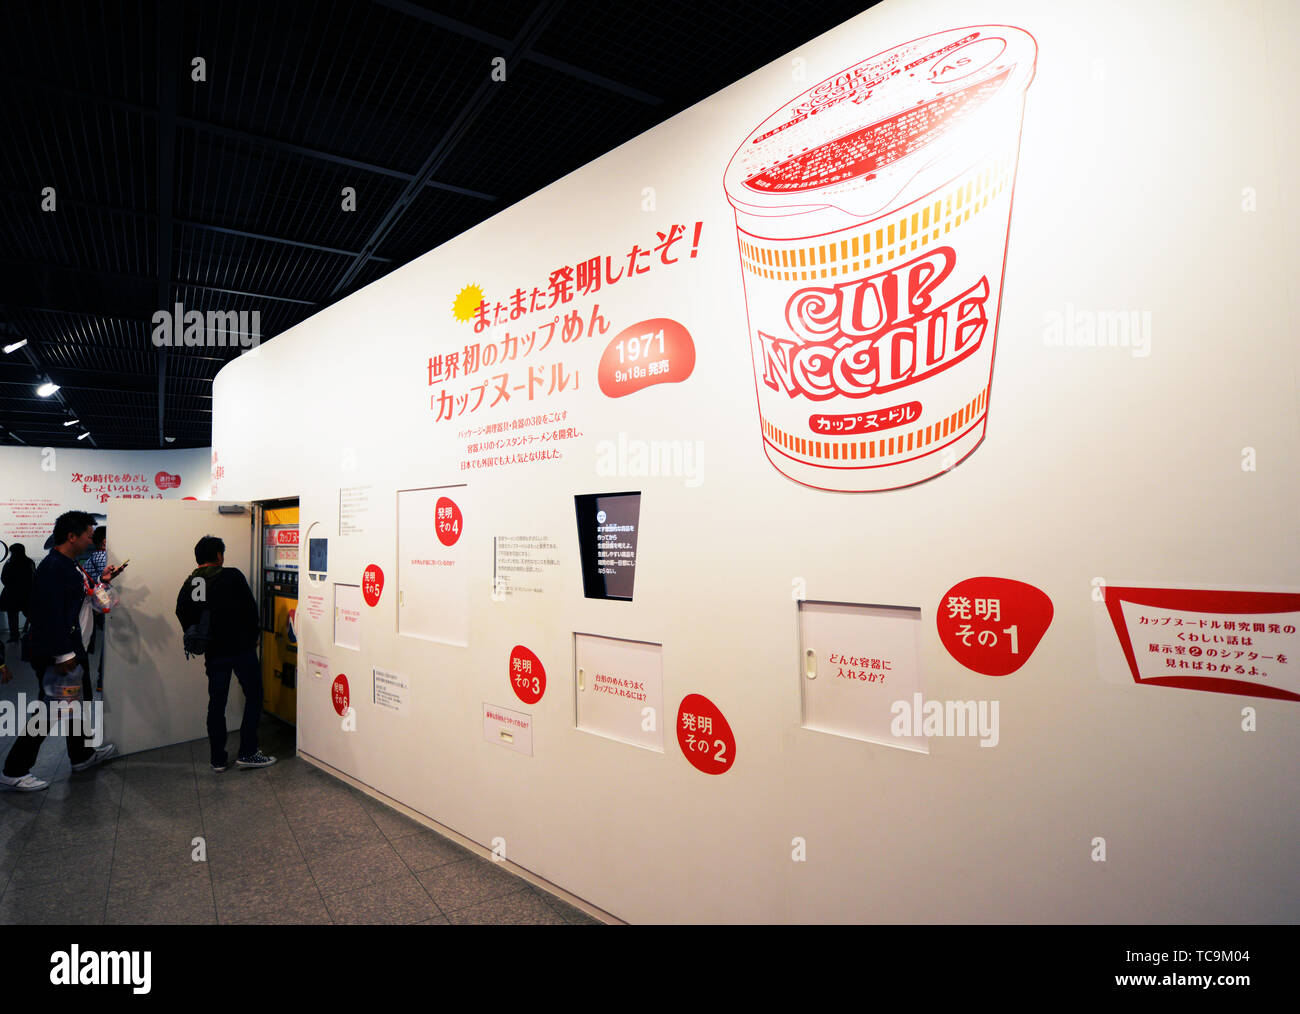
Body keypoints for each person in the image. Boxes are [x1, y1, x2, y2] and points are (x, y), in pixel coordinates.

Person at [0, 512, 118, 792]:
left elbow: (87, 599)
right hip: (60, 655)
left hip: (74, 650)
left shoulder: (71, 565)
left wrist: (103, 581)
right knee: (51, 710)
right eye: (89, 534)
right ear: (72, 536)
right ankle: (14, 769)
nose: (92, 540)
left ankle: (82, 756)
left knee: (77, 706)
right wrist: (64, 655)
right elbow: (47, 615)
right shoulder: (53, 568)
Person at [175, 535, 275, 772]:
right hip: (241, 649)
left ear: (198, 557)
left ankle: (218, 759)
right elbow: (250, 609)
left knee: (216, 703)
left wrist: (199, 633)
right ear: (219, 555)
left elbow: (182, 611)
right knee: (254, 696)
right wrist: (254, 634)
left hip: (214, 652)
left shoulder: (192, 582)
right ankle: (248, 752)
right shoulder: (231, 575)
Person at [84, 526, 108, 690]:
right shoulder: (102, 556)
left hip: (94, 604)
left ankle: (100, 678)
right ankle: (101, 679)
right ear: (104, 541)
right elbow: (104, 582)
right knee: (107, 643)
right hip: (100, 605)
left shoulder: (93, 556)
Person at [1, 543, 36, 642]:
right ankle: (36, 632)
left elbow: (3, 578)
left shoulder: (9, 562)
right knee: (31, 614)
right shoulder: (29, 562)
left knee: (12, 616)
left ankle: (14, 636)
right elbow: (34, 577)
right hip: (26, 593)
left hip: (11, 594)